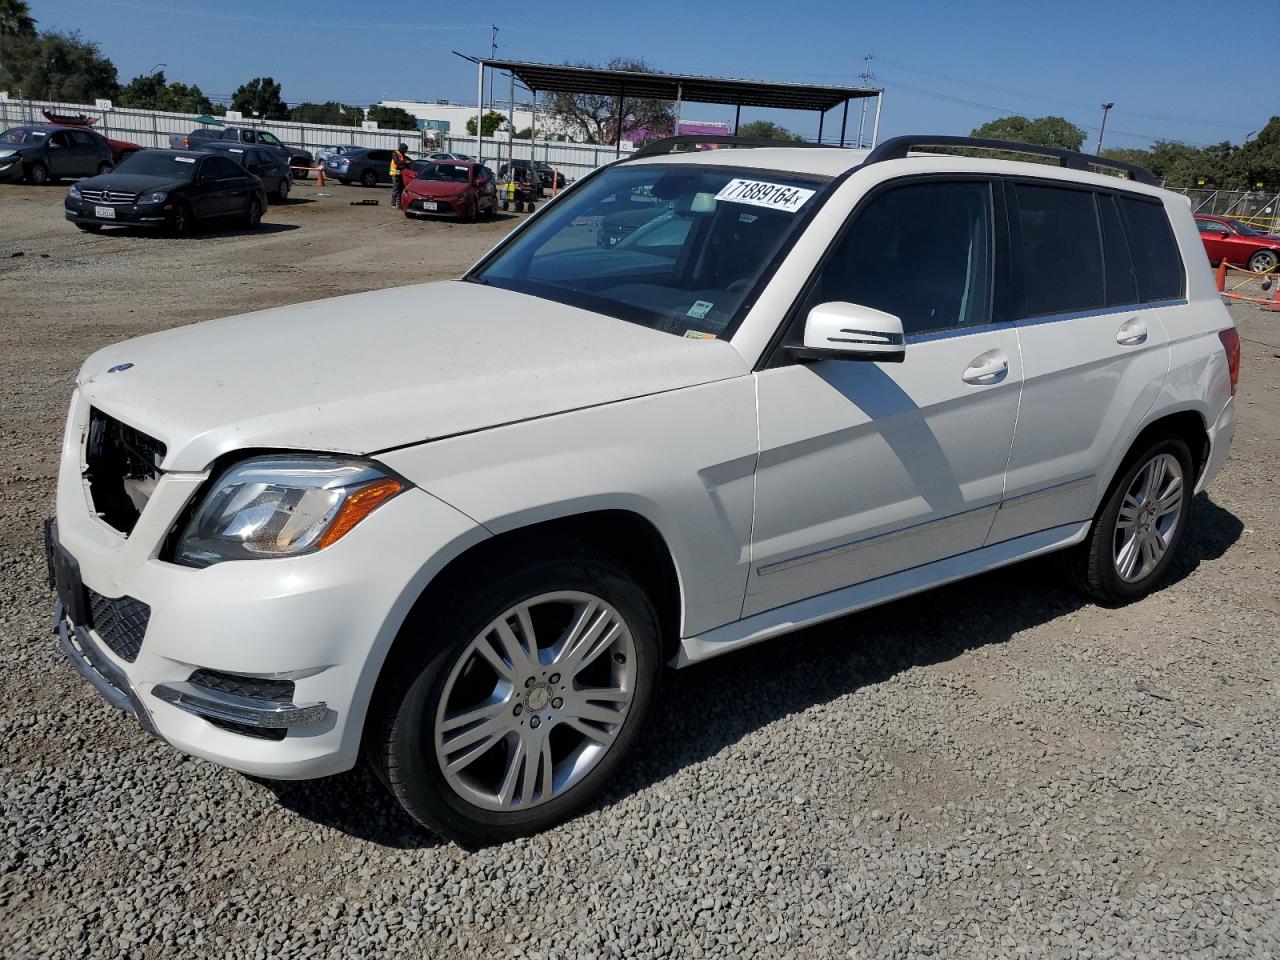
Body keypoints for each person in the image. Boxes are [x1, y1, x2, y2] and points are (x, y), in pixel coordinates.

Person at [389, 143, 411, 210]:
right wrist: (405, 163)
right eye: (405, 150)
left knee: (401, 189)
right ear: (402, 149)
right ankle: (393, 203)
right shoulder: (395, 153)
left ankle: (399, 204)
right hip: (395, 173)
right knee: (396, 189)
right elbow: (397, 162)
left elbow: (405, 162)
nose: (406, 151)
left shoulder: (402, 155)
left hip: (400, 174)